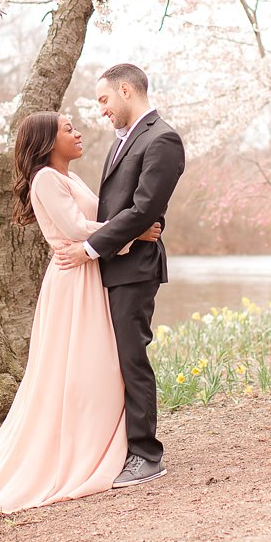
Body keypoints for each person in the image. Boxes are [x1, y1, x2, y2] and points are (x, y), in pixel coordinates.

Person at [0, 111, 163, 513]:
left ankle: (105, 444)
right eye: (68, 129)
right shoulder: (46, 179)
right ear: (48, 142)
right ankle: (77, 452)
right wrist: (134, 231)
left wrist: (120, 227)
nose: (78, 132)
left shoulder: (68, 176)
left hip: (89, 274)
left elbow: (96, 221)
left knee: (98, 366)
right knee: (81, 368)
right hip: (74, 280)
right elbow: (73, 227)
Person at [54, 63, 185, 488]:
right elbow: (113, 210)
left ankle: (146, 455)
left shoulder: (162, 139)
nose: (102, 110)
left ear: (126, 90)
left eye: (104, 100)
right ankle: (114, 448)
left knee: (132, 358)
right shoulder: (123, 141)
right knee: (112, 361)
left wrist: (91, 247)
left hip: (134, 268)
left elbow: (144, 209)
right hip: (112, 266)